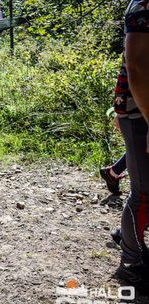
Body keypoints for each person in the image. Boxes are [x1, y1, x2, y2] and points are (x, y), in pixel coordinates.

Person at [114, 0, 149, 287]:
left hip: (141, 112)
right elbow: (136, 67)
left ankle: (127, 239)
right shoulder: (142, 6)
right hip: (140, 114)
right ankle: (130, 262)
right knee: (143, 193)